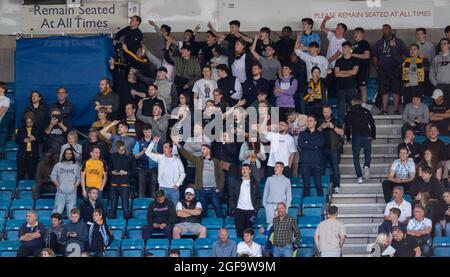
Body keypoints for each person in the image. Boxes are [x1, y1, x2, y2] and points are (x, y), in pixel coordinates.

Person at [175, 139, 224, 218]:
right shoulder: (199, 160)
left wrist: (219, 188)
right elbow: (187, 155)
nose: (202, 151)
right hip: (202, 190)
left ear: (209, 150)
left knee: (217, 207)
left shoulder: (216, 161)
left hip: (213, 190)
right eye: (201, 149)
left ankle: (222, 226)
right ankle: (204, 226)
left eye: (203, 149)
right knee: (203, 210)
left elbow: (221, 176)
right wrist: (179, 147)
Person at [373, 24, 408, 115]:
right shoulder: (379, 42)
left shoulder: (399, 42)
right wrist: (377, 66)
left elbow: (404, 55)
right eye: (383, 29)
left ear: (391, 30)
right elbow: (375, 56)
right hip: (383, 71)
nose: (384, 30)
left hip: (395, 70)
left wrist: (401, 64)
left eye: (386, 29)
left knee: (396, 90)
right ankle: (384, 110)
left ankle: (396, 110)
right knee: (384, 91)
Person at [345, 96, 376, 184]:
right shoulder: (366, 111)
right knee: (368, 153)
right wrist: (373, 136)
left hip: (356, 137)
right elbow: (372, 124)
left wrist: (348, 138)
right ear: (360, 102)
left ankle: (359, 177)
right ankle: (366, 165)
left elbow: (347, 127)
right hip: (367, 136)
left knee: (356, 158)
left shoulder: (350, 112)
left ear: (352, 102)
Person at [147, 139, 186, 206]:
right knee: (162, 209)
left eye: (166, 147)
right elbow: (147, 153)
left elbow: (183, 174)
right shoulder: (160, 158)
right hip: (162, 188)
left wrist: (178, 184)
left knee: (174, 209)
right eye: (163, 147)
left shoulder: (177, 160)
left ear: (171, 149)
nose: (164, 149)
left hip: (174, 190)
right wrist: (153, 142)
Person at [318, 105, 344, 194]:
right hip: (322, 149)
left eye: (327, 112)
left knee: (335, 168)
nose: (326, 114)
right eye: (324, 112)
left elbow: (342, 133)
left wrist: (332, 127)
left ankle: (337, 186)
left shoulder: (336, 120)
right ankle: (322, 188)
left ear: (331, 111)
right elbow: (314, 132)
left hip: (334, 148)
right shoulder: (320, 121)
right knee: (321, 169)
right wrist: (321, 127)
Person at [229, 164, 260, 238]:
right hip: (239, 211)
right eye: (243, 169)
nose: (244, 170)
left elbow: (258, 197)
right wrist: (234, 209)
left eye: (246, 169)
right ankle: (240, 249)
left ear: (250, 171)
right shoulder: (236, 181)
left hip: (251, 211)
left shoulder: (254, 182)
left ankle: (248, 249)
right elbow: (231, 196)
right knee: (239, 233)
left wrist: (256, 210)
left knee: (248, 233)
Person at [109, 140, 137, 219]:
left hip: (125, 184)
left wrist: (125, 173)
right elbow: (108, 171)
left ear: (124, 146)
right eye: (118, 150)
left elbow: (135, 172)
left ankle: (126, 226)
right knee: (113, 207)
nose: (120, 151)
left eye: (121, 150)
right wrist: (112, 172)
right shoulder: (113, 156)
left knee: (125, 207)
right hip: (114, 184)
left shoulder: (130, 156)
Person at [298, 115, 324, 197]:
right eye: (308, 121)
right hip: (305, 162)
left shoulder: (320, 134)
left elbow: (321, 143)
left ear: (315, 122)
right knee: (306, 185)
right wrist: (314, 146)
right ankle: (305, 205)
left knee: (318, 184)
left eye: (311, 120)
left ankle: (322, 205)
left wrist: (307, 143)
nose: (309, 122)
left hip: (316, 162)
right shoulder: (302, 133)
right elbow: (301, 144)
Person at [50, 148, 80, 218]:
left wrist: (74, 186)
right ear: (64, 155)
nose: (68, 155)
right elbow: (53, 177)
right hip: (60, 193)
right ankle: (54, 229)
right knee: (57, 212)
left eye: (70, 154)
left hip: (72, 194)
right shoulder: (58, 165)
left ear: (72, 155)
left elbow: (79, 178)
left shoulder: (76, 166)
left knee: (72, 215)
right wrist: (59, 186)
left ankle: (71, 229)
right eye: (66, 154)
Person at [335, 41, 359, 122]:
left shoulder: (355, 60)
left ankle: (354, 124)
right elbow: (337, 74)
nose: (343, 49)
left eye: (345, 47)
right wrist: (349, 72)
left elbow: (354, 72)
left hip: (351, 87)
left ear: (350, 49)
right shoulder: (338, 61)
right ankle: (342, 125)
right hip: (340, 87)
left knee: (354, 107)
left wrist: (343, 71)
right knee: (341, 108)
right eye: (342, 47)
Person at [133, 124, 160, 198]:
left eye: (148, 132)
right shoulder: (138, 142)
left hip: (153, 168)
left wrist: (153, 151)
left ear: (151, 131)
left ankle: (154, 207)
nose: (147, 134)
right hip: (142, 169)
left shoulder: (156, 142)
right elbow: (134, 156)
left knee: (153, 190)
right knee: (141, 190)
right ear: (143, 132)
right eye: (145, 132)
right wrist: (142, 152)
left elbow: (160, 155)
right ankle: (140, 208)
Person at [16, 113, 41, 181]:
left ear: (33, 121)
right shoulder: (21, 129)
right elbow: (17, 140)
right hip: (22, 154)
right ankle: (19, 189)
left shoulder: (37, 129)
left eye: (30, 122)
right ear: (25, 122)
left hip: (33, 155)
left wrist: (35, 139)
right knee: (21, 173)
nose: (29, 124)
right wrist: (23, 140)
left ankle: (31, 189)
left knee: (32, 173)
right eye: (27, 122)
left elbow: (42, 140)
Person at [351, 27, 371, 106]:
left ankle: (364, 106)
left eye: (358, 33)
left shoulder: (364, 43)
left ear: (362, 35)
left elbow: (367, 55)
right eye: (355, 33)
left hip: (363, 68)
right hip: (354, 69)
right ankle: (357, 106)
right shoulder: (354, 45)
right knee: (356, 88)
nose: (356, 34)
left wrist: (353, 54)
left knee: (362, 87)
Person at [430, 38, 450, 104]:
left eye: (445, 43)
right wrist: (435, 84)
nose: (443, 45)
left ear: (449, 45)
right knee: (439, 106)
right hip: (439, 85)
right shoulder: (436, 58)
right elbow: (431, 72)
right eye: (441, 44)